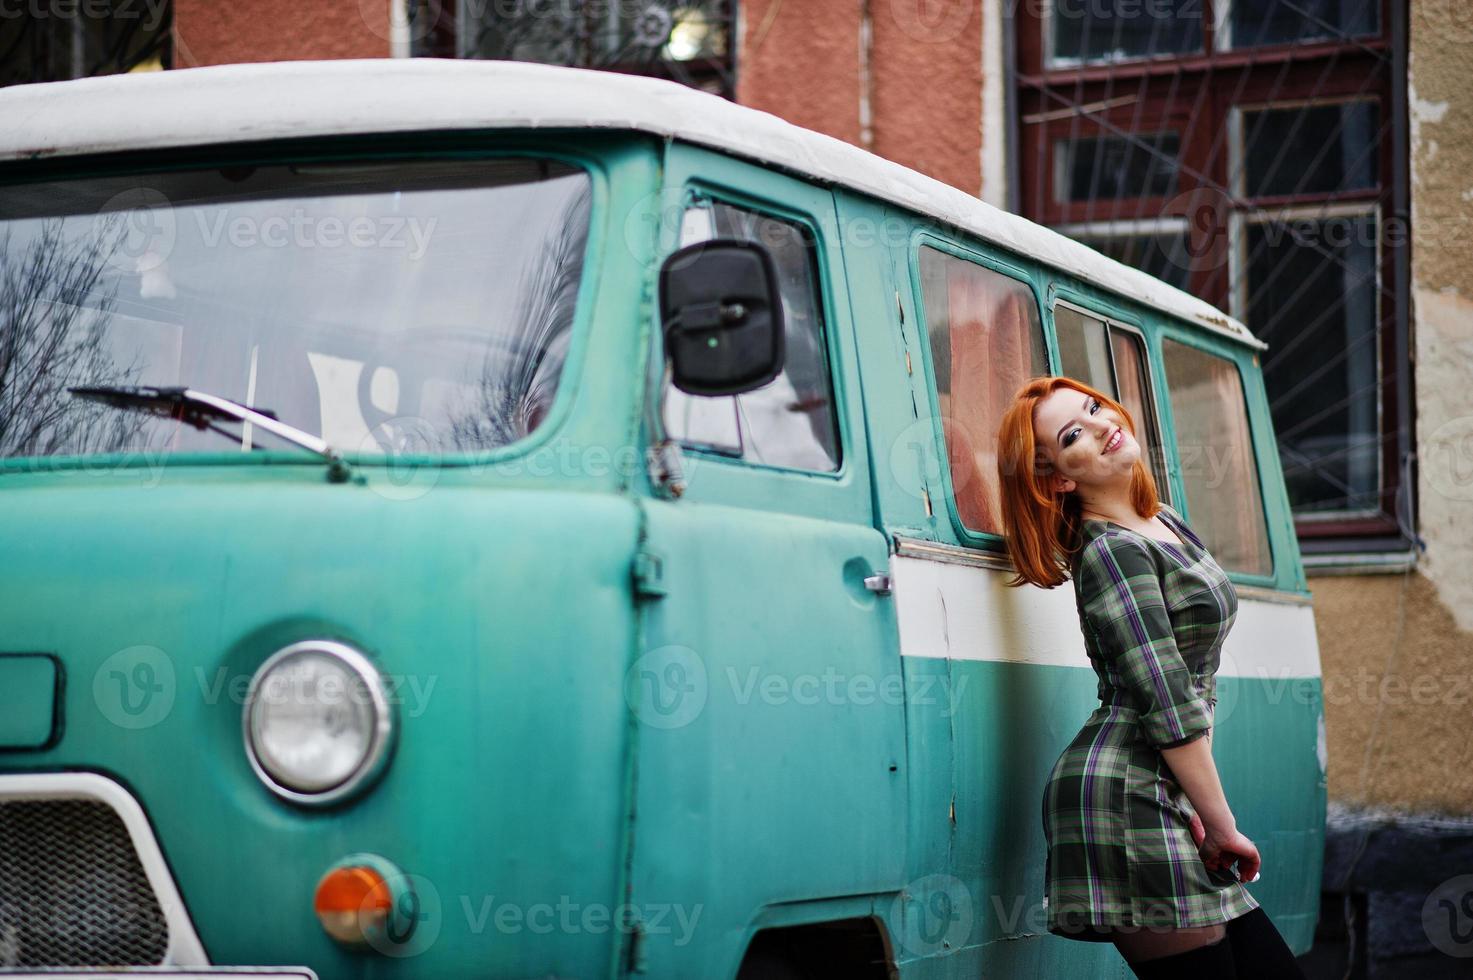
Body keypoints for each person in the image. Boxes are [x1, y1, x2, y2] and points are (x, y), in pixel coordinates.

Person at [992, 375, 1307, 980]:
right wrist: (1221, 824)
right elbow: (1166, 698)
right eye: (1073, 434)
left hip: (1165, 785)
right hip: (1123, 797)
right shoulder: (1111, 550)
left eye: (1093, 406)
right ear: (1059, 478)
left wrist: (1197, 803)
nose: (1104, 422)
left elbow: (1191, 693)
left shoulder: (1164, 522)